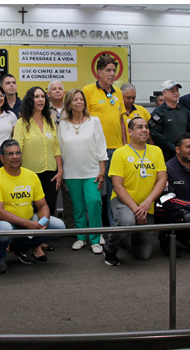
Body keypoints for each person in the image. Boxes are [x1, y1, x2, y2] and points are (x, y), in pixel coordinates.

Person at [0, 139, 63, 274]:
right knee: (5, 229)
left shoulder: (31, 175)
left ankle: (19, 247)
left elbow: (43, 205)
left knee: (58, 226)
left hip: (26, 220)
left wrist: (42, 223)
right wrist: (28, 224)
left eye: (17, 153)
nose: (15, 157)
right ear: (2, 158)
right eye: (10, 154)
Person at [103, 118, 166, 266]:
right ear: (130, 131)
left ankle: (124, 238)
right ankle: (109, 250)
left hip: (146, 204)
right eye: (139, 127)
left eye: (146, 127)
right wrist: (136, 209)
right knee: (127, 221)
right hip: (123, 201)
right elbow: (117, 186)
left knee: (143, 255)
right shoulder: (120, 153)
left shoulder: (156, 151)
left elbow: (162, 180)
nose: (144, 130)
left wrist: (147, 203)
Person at [13, 86, 63, 259]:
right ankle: (35, 246)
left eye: (43, 96)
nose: (40, 100)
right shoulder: (22, 123)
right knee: (30, 210)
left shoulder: (50, 121)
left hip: (50, 173)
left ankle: (38, 239)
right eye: (36, 97)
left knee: (48, 208)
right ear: (30, 100)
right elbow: (17, 149)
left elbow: (56, 147)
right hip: (29, 174)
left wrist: (60, 170)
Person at [58, 88, 108, 254]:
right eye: (75, 99)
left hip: (92, 171)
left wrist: (102, 171)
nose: (79, 102)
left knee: (94, 202)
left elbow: (101, 147)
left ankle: (95, 239)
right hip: (71, 172)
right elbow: (59, 149)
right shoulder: (62, 124)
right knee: (78, 207)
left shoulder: (94, 121)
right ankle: (81, 237)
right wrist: (61, 171)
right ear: (69, 104)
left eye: (81, 99)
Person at [82, 55, 126, 228]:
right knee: (97, 193)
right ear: (98, 72)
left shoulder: (118, 93)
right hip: (96, 151)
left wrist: (124, 145)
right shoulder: (88, 91)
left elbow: (121, 122)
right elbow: (82, 119)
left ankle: (114, 227)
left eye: (114, 70)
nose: (112, 74)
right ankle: (96, 229)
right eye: (108, 70)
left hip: (117, 150)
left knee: (115, 191)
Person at [47, 80, 75, 230]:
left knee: (69, 193)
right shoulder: (43, 110)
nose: (57, 91)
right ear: (48, 93)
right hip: (50, 156)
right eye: (54, 89)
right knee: (50, 193)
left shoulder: (71, 109)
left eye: (60, 89)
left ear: (64, 93)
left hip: (69, 155)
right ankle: (51, 227)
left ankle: (70, 225)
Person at [149, 80, 190, 160]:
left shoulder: (185, 111)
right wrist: (173, 147)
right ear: (164, 93)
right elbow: (155, 133)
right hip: (166, 155)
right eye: (172, 91)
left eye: (177, 90)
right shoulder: (158, 112)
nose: (176, 93)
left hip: (185, 154)